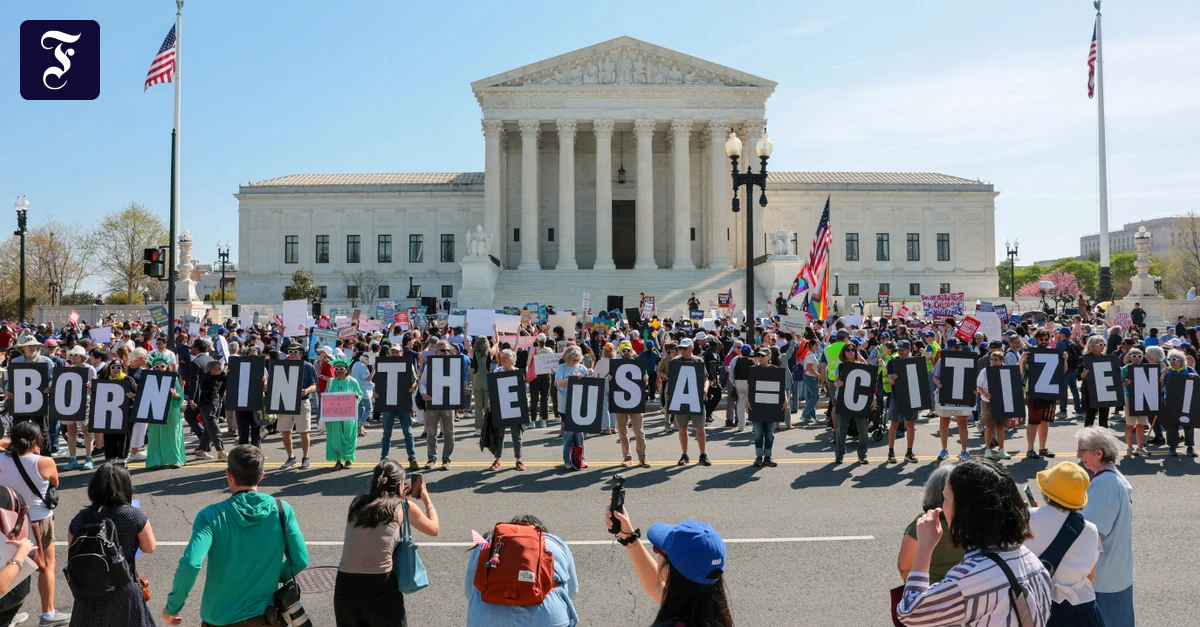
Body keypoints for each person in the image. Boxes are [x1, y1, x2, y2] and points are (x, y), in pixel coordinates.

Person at [164, 445, 310, 627]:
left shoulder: (210, 516)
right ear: (261, 476)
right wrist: (274, 575)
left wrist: (172, 607)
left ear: (229, 475)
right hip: (265, 617)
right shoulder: (282, 510)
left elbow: (191, 563)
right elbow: (300, 559)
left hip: (219, 618)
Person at [896, 458, 1053, 626]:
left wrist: (924, 547)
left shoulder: (969, 577)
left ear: (965, 510)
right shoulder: (1031, 560)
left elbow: (909, 613)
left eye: (946, 499)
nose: (942, 507)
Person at [336, 459, 439, 627]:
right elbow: (434, 529)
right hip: (379, 588)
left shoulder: (357, 504)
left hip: (345, 586)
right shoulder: (403, 506)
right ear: (400, 485)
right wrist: (426, 499)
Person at [606, 506, 732, 627]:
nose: (656, 553)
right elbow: (656, 586)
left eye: (658, 550)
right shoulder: (711, 612)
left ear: (673, 570)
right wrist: (629, 538)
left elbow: (657, 586)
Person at [67, 464, 157, 626]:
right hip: (122, 585)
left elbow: (72, 548)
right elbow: (149, 547)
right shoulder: (133, 515)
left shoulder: (81, 518)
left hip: (88, 590)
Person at [0, 422, 70, 626]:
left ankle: (7, 612)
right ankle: (48, 613)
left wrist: (10, 445)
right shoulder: (45, 462)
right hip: (39, 519)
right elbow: (55, 482)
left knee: (8, 563)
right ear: (37, 440)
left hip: (10, 519)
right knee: (46, 566)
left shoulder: (2, 459)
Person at [1026, 461, 1104, 627]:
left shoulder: (1027, 518)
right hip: (1080, 609)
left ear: (1047, 491)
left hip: (1038, 606)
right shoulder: (1089, 529)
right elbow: (1091, 576)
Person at [464, 514, 578, 626]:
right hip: (547, 617)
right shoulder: (554, 544)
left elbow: (469, 591)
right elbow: (572, 590)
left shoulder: (486, 545)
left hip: (486, 619)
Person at [1075, 427, 1135, 627]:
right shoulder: (1112, 477)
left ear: (1098, 453)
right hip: (1116, 572)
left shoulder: (1105, 484)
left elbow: (1091, 531)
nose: (1078, 456)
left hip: (1105, 576)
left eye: (1081, 451)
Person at [896, 465, 964, 584]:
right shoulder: (973, 521)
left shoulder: (924, 522)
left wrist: (913, 585)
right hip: (965, 586)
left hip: (929, 588)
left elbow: (904, 567)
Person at [377, 344, 420, 472]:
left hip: (402, 402)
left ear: (402, 353)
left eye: (397, 352)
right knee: (386, 433)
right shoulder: (384, 364)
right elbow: (378, 381)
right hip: (388, 403)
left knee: (408, 433)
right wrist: (375, 392)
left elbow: (415, 380)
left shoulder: (408, 365)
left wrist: (413, 387)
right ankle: (384, 458)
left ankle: (412, 458)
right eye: (393, 352)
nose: (395, 354)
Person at [1021, 329, 1062, 459]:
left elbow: (1062, 371)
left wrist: (1065, 360)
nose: (1044, 341)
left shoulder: (1054, 353)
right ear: (1036, 340)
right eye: (1041, 339)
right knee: (1033, 421)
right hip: (1034, 390)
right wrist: (1022, 359)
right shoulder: (1030, 353)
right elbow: (1021, 371)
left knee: (1045, 421)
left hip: (1049, 390)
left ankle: (1042, 448)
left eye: (1046, 339)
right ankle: (1030, 449)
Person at [668, 338, 710, 467]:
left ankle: (703, 454)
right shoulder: (675, 362)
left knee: (700, 427)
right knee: (682, 427)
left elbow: (705, 379)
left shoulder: (698, 361)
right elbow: (672, 380)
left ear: (691, 348)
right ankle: (684, 454)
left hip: (695, 398)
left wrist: (705, 389)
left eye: (685, 348)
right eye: (680, 348)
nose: (682, 350)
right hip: (680, 398)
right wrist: (668, 391)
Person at [832, 341, 874, 465]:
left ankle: (862, 455)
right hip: (844, 401)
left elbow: (870, 384)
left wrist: (874, 398)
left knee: (863, 429)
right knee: (841, 429)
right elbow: (835, 382)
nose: (850, 352)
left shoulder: (862, 366)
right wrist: (837, 384)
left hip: (860, 401)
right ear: (844, 353)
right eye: (848, 350)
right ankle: (839, 455)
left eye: (853, 350)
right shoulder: (840, 367)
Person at [419, 341, 459, 471]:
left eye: (448, 350)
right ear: (436, 352)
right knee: (431, 432)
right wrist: (423, 393)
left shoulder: (454, 365)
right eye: (443, 350)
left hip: (448, 403)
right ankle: (432, 458)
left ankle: (446, 459)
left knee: (449, 432)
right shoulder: (430, 365)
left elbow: (459, 383)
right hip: (433, 402)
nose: (446, 353)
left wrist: (459, 400)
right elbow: (422, 383)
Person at [609, 341, 650, 468]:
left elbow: (646, 382)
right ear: (620, 352)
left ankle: (642, 457)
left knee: (638, 431)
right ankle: (627, 457)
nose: (626, 353)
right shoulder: (615, 366)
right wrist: (609, 379)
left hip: (635, 402)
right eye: (624, 351)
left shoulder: (638, 365)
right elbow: (609, 381)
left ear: (632, 351)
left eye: (628, 350)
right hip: (620, 402)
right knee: (622, 432)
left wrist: (645, 380)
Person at [145, 353, 188, 469]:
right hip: (155, 412)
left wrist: (175, 394)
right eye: (157, 366)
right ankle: (155, 461)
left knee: (173, 436)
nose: (160, 368)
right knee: (155, 437)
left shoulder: (173, 379)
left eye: (162, 366)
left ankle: (176, 460)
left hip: (171, 411)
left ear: (167, 366)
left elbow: (181, 396)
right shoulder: (149, 379)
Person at [486, 349, 527, 471]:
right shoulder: (497, 371)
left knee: (516, 434)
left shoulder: (517, 372)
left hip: (514, 407)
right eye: (501, 357)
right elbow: (492, 389)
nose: (502, 360)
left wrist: (525, 402)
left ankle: (518, 459)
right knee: (499, 435)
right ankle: (497, 459)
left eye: (505, 358)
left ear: (512, 360)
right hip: (500, 407)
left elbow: (523, 390)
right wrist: (490, 401)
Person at [932, 338, 973, 462]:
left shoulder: (967, 359)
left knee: (963, 423)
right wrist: (938, 384)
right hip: (946, 393)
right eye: (956, 347)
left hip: (962, 394)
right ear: (949, 348)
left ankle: (964, 450)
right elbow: (935, 376)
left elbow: (972, 377)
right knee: (944, 421)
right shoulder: (942, 360)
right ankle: (944, 449)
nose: (958, 349)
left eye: (960, 347)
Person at [279, 342, 317, 470]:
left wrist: (306, 391)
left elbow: (314, 385)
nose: (292, 354)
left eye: (295, 352)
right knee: (285, 431)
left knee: (303, 431)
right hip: (285, 401)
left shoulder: (308, 366)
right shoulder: (282, 365)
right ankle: (291, 457)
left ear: (301, 353)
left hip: (302, 401)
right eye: (290, 351)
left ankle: (306, 457)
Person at [62, 344, 98, 470]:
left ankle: (89, 457)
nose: (73, 357)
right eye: (71, 355)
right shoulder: (70, 369)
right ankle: (73, 458)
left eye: (75, 355)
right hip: (71, 401)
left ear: (82, 356)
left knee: (86, 430)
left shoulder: (90, 369)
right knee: (71, 430)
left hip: (84, 401)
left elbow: (95, 387)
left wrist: (90, 386)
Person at [555, 345, 590, 471]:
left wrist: (589, 375)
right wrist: (572, 379)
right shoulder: (561, 368)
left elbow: (589, 382)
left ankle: (580, 458)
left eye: (577, 360)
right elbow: (559, 383)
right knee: (568, 433)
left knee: (579, 433)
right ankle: (567, 459)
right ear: (567, 358)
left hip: (578, 404)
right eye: (573, 360)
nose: (575, 362)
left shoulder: (581, 368)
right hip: (565, 405)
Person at [885, 340, 921, 463]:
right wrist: (892, 379)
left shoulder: (915, 361)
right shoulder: (893, 361)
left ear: (908, 349)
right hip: (897, 396)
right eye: (898, 349)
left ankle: (909, 452)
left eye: (902, 349)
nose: (900, 352)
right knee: (894, 424)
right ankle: (891, 452)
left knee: (910, 424)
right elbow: (890, 381)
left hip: (912, 397)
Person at [326, 357, 364, 470]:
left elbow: (360, 394)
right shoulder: (331, 382)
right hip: (334, 416)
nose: (339, 371)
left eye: (341, 368)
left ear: (347, 370)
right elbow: (326, 396)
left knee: (348, 436)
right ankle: (338, 461)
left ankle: (348, 459)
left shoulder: (352, 381)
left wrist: (356, 397)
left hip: (348, 416)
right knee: (335, 437)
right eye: (336, 368)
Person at [1160, 349, 1198, 456]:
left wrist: (1193, 377)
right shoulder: (1167, 371)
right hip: (1171, 401)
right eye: (1169, 359)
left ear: (1181, 360)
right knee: (1172, 424)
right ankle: (1172, 447)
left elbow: (1197, 383)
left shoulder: (1189, 369)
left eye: (1174, 359)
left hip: (1187, 401)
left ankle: (1190, 447)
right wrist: (1163, 377)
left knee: (1189, 424)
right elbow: (1160, 387)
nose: (1171, 361)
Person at [976, 350, 1011, 460]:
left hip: (1002, 402)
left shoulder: (1006, 371)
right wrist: (984, 393)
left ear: (1002, 361)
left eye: (995, 360)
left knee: (1000, 426)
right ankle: (987, 449)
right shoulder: (985, 371)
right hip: (988, 402)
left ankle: (1001, 449)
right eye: (991, 359)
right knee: (989, 426)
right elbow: (978, 386)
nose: (993, 362)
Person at [1077, 336, 1111, 428]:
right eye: (1100, 344)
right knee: (1090, 415)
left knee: (1104, 415)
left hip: (1104, 389)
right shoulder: (1084, 358)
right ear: (1092, 345)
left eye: (1104, 344)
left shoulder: (1106, 358)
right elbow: (1079, 377)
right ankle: (1087, 435)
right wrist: (1084, 374)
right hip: (1090, 389)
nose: (1102, 346)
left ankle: (1104, 435)